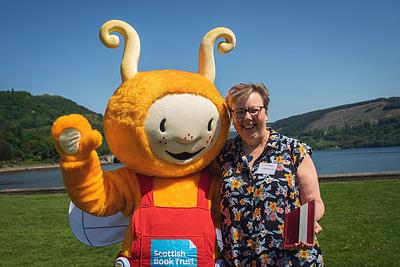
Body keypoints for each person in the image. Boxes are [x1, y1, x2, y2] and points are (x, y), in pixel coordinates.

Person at [215, 83, 325, 266]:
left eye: (253, 110)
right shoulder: (223, 155)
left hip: (292, 258)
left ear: (266, 112)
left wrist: (309, 221)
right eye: (239, 112)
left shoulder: (294, 150)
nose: (247, 117)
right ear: (232, 116)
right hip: (240, 260)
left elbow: (314, 202)